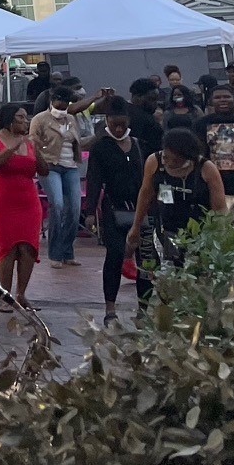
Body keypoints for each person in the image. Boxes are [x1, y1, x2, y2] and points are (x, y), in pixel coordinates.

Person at [127, 128, 225, 290]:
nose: (168, 163)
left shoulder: (206, 169)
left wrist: (218, 241)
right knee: (162, 280)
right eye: (166, 157)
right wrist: (136, 226)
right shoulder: (155, 161)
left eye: (174, 160)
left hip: (197, 236)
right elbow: (145, 195)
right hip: (164, 231)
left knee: (195, 281)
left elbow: (220, 210)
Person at [84, 99, 146, 320]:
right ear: (107, 122)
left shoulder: (138, 145)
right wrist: (90, 211)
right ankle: (110, 308)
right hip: (113, 208)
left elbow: (147, 180)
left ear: (128, 121)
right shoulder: (100, 147)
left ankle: (143, 308)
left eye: (122, 124)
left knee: (145, 258)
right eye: (114, 125)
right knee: (115, 255)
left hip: (140, 209)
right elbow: (93, 180)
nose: (118, 129)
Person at [0, 102, 44, 311]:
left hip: (27, 200)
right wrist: (12, 149)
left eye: (26, 117)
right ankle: (4, 295)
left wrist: (39, 151)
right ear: (8, 119)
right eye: (20, 117)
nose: (25, 121)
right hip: (1, 199)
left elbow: (44, 170)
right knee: (8, 246)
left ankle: (21, 294)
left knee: (28, 247)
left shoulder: (29, 142)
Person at [27, 87, 83, 268]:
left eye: (66, 103)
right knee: (57, 205)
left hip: (71, 167)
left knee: (74, 209)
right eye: (60, 102)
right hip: (50, 166)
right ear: (52, 101)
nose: (63, 106)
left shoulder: (72, 119)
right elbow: (32, 141)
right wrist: (40, 161)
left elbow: (77, 141)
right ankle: (55, 253)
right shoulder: (40, 119)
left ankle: (68, 251)